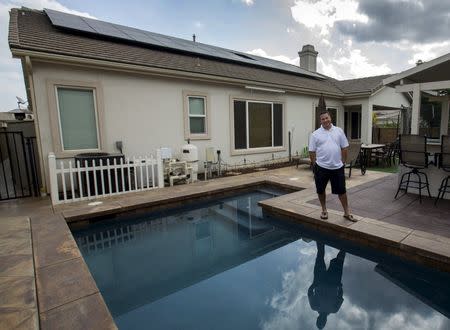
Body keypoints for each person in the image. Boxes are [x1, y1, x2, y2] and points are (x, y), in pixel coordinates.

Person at [308, 110, 355, 221]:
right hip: (321, 167)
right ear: (320, 121)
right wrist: (314, 164)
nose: (325, 120)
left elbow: (344, 147)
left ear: (330, 118)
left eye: (326, 118)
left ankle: (346, 212)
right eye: (323, 119)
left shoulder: (339, 131)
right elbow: (311, 151)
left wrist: (343, 161)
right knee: (320, 190)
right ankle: (324, 210)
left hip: (337, 167)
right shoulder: (315, 134)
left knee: (342, 191)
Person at [308, 242, 346, 329]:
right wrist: (340, 287)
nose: (322, 320)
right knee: (340, 258)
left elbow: (309, 292)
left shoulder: (315, 307)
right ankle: (345, 242)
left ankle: (320, 235)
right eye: (323, 322)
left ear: (318, 319)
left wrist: (314, 284)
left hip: (321, 280)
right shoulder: (334, 310)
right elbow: (340, 297)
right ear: (325, 321)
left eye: (320, 321)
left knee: (320, 255)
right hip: (333, 281)